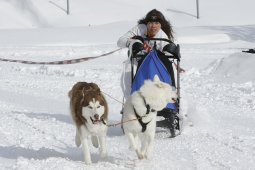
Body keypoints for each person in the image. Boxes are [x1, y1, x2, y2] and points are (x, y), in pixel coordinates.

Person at [117, 9, 176, 100]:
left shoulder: (162, 36)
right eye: (151, 23)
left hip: (154, 62)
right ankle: (131, 101)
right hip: (136, 59)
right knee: (128, 73)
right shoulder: (139, 29)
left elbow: (168, 52)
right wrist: (132, 43)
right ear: (146, 23)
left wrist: (170, 50)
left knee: (171, 73)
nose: (153, 26)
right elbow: (120, 41)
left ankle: (172, 100)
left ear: (161, 25)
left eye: (157, 23)